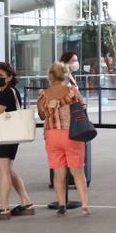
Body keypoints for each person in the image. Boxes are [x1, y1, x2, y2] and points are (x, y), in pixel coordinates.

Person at [37, 63, 91, 216]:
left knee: (58, 173)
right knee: (77, 171)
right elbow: (83, 106)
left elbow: (41, 115)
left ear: (51, 76)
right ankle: (85, 204)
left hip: (52, 135)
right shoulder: (72, 91)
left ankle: (61, 204)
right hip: (71, 134)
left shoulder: (43, 94)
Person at [0, 62, 34, 220]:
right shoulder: (9, 92)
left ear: (9, 78)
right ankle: (26, 202)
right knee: (9, 170)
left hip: (4, 136)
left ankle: (4, 207)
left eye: (0, 76)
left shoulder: (5, 94)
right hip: (10, 135)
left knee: (4, 171)